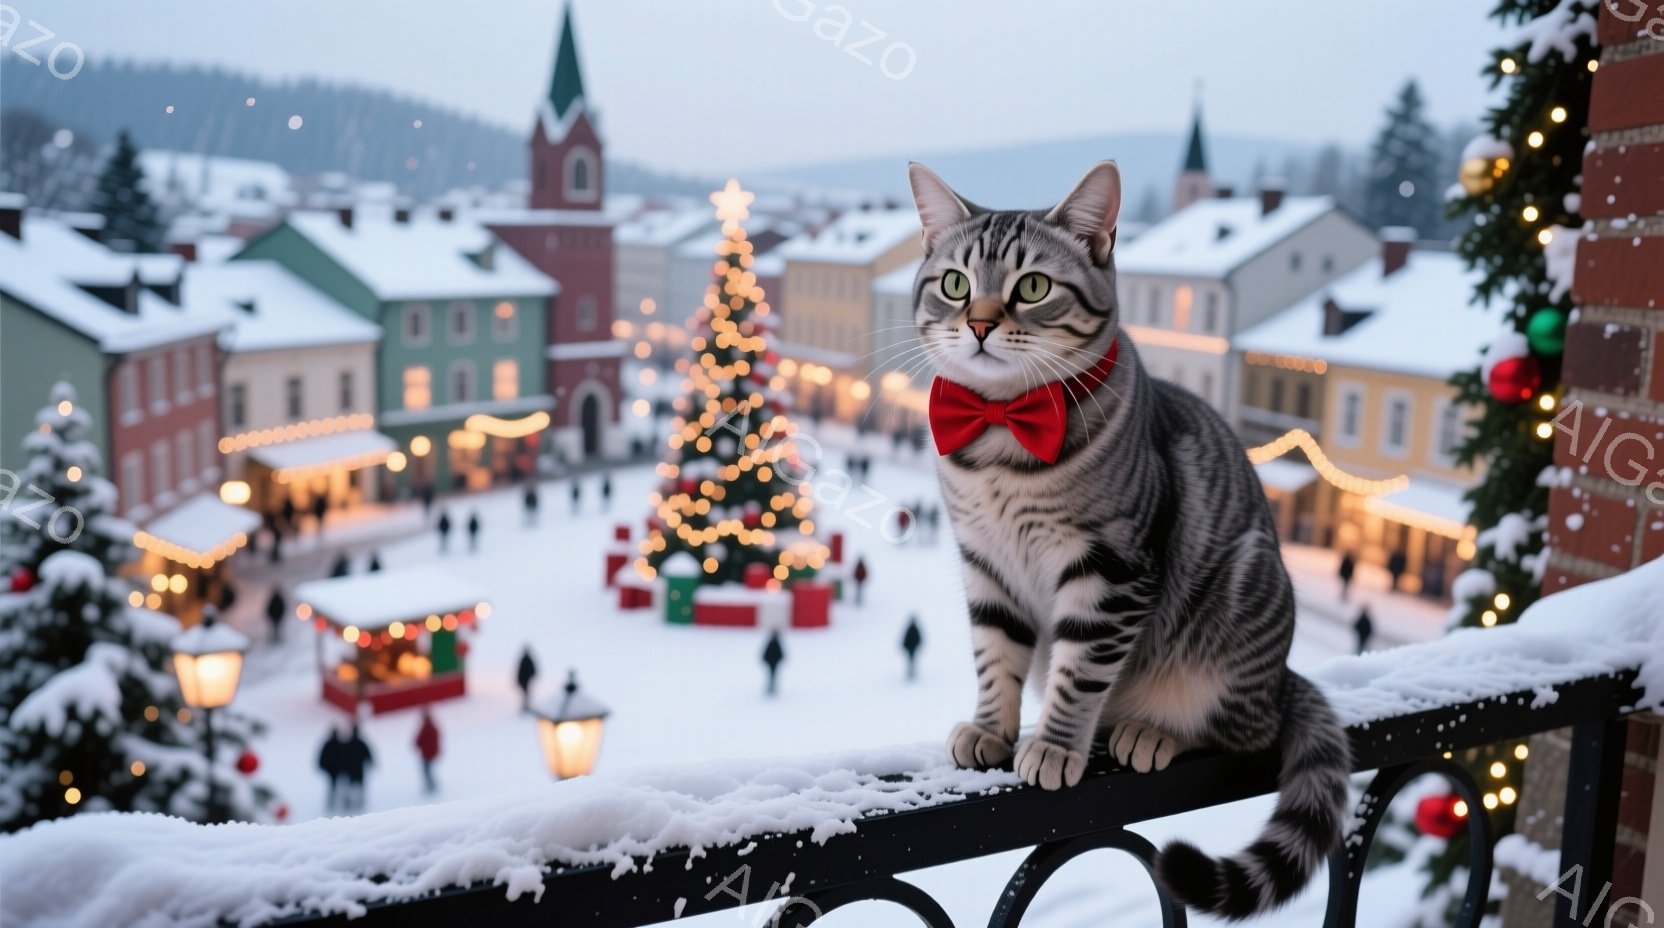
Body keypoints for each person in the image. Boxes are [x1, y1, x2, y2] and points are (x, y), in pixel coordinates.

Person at [340, 725, 373, 812]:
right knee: (358, 786)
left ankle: (349, 803)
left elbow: (342, 757)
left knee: (350, 787)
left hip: (350, 770)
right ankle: (358, 802)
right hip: (358, 769)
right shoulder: (361, 743)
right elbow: (368, 754)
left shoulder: (347, 743)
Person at [317, 727, 346, 813]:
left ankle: (336, 802)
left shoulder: (333, 744)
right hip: (334, 770)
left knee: (335, 786)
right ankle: (334, 802)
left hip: (334, 770)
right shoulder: (338, 744)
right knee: (336, 786)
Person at [414, 710, 441, 794]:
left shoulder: (426, 728)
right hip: (430, 753)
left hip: (427, 754)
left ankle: (431, 786)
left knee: (427, 771)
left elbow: (419, 740)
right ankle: (431, 785)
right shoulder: (432, 727)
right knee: (428, 770)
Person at [761, 630, 785, 697]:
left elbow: (779, 653)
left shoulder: (774, 643)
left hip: (772, 662)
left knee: (772, 675)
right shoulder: (775, 643)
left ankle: (771, 688)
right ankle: (771, 688)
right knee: (772, 675)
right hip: (772, 662)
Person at [901, 614, 924, 681]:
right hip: (910, 648)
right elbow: (906, 638)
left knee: (911, 659)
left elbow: (918, 638)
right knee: (911, 659)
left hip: (912, 648)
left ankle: (911, 671)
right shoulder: (912, 628)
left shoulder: (913, 629)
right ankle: (911, 671)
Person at [516, 646, 539, 711]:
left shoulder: (527, 659)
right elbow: (520, 671)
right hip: (523, 681)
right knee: (525, 694)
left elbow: (532, 670)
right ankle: (525, 707)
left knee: (526, 694)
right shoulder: (525, 659)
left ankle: (526, 707)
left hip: (525, 680)